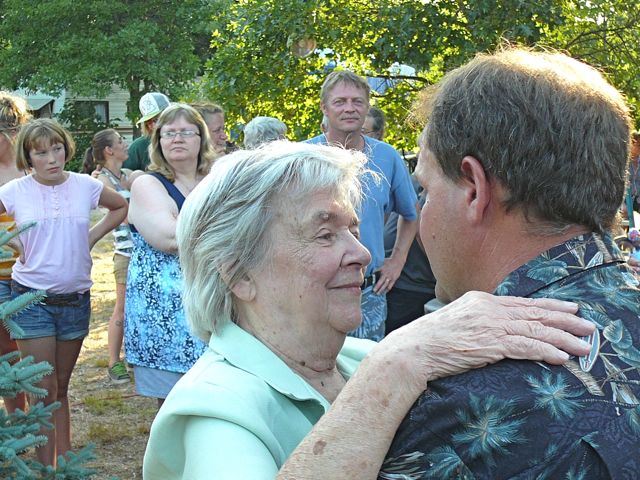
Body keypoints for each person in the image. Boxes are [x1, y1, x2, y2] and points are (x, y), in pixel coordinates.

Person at [143, 140, 594, 479]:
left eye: (354, 230)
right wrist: (398, 365)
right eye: (324, 235)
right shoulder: (215, 408)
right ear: (238, 273)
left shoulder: (360, 358)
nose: (362, 253)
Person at [381, 47, 640, 478]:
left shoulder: (460, 415)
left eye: (425, 189)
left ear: (473, 189)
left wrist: (386, 368)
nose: (422, 212)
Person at [0, 118, 127, 466]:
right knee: (42, 390)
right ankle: (44, 469)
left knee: (61, 387)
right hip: (31, 301)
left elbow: (119, 207)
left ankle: (65, 464)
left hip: (75, 300)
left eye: (57, 148)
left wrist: (91, 237)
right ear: (28, 156)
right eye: (41, 152)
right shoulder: (13, 191)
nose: (52, 158)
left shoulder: (86, 186)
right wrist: (13, 246)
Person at [307, 71, 418, 341]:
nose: (349, 108)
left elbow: (411, 215)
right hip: (316, 290)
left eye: (357, 101)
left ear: (367, 106)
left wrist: (397, 261)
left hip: (368, 292)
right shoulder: (304, 157)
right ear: (324, 107)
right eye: (340, 101)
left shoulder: (386, 157)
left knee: (366, 372)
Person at [124, 103, 215, 407]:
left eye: (186, 132)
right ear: (158, 141)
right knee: (175, 410)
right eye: (169, 133)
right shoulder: (147, 184)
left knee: (217, 403)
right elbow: (169, 237)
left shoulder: (215, 180)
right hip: (165, 320)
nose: (177, 139)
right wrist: (224, 229)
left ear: (200, 138)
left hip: (214, 309)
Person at [83, 129, 136, 384]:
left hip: (146, 251)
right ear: (109, 151)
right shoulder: (100, 180)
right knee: (122, 309)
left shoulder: (128, 176)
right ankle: (114, 363)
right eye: (120, 141)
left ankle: (135, 356)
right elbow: (123, 215)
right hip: (126, 252)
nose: (126, 145)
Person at [0, 91, 31, 414]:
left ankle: (36, 418)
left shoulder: (30, 169)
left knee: (31, 352)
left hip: (31, 276)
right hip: (0, 277)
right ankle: (16, 417)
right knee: (4, 351)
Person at [384, 179, 436, 334]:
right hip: (410, 282)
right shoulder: (432, 176)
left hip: (400, 278)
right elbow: (421, 225)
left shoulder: (413, 177)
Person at [123, 92, 170, 171]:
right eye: (148, 122)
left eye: (156, 120)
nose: (151, 125)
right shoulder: (138, 147)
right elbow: (123, 175)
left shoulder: (184, 139)